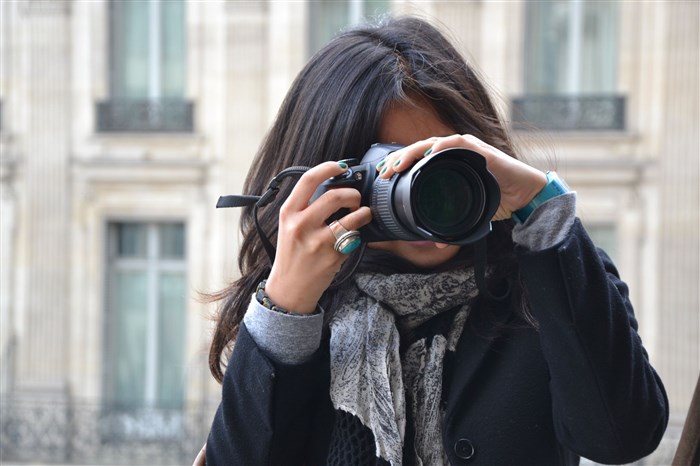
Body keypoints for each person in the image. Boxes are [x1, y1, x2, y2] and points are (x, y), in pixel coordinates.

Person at [199, 15, 668, 466]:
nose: (426, 200)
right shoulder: (300, 311)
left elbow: (622, 436)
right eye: (389, 173)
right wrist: (286, 308)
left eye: (437, 165)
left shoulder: (546, 280)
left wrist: (540, 206)